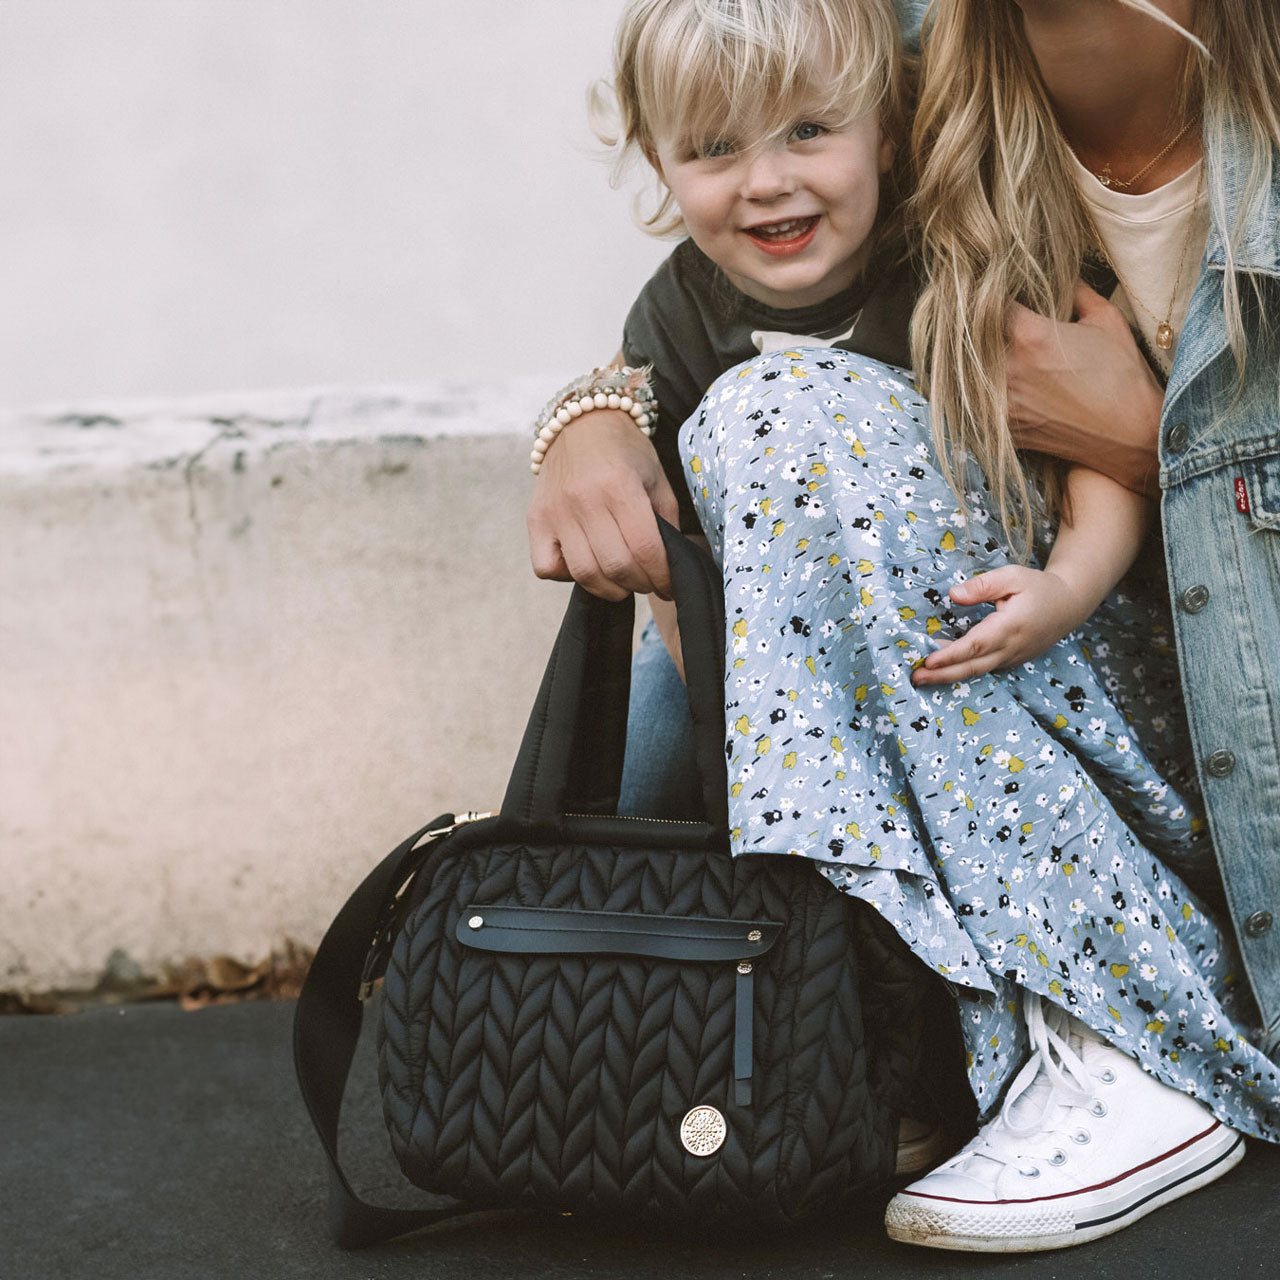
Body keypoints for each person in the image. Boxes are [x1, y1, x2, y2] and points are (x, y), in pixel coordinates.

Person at [527, 0, 1280, 1253]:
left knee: (776, 423)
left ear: (887, 128)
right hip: (936, 715)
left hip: (1154, 715)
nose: (767, 179)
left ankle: (1109, 1031)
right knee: (692, 625)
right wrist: (584, 418)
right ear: (658, 165)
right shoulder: (931, 72)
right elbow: (663, 475)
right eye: (712, 152)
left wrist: (1136, 464)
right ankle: (815, 1026)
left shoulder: (952, 243)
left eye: (808, 132)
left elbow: (1103, 492)